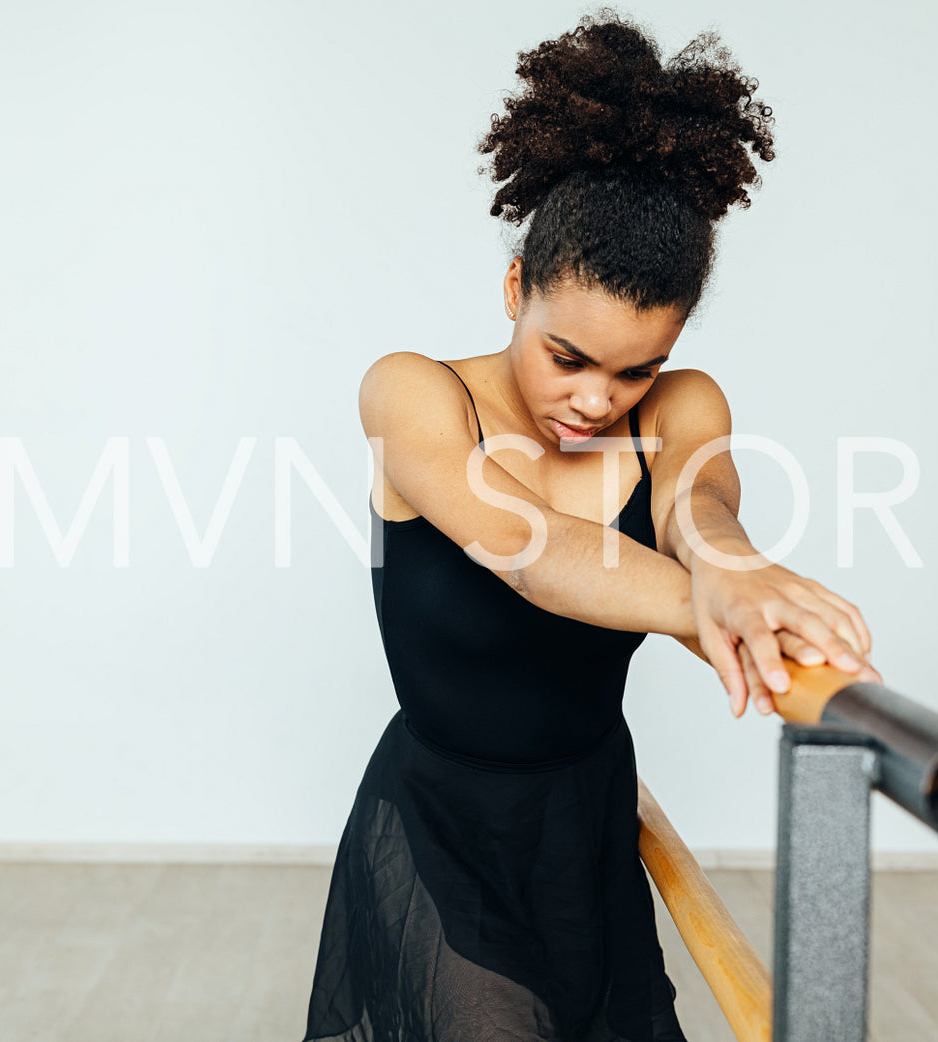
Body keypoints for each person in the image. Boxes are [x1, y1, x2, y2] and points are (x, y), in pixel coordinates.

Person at [301, 10, 881, 1040]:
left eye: (634, 368)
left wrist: (735, 570)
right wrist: (711, 601)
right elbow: (533, 550)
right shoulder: (414, 394)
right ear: (515, 287)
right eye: (566, 357)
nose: (594, 400)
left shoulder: (683, 404)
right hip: (441, 822)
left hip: (586, 823)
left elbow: (699, 509)